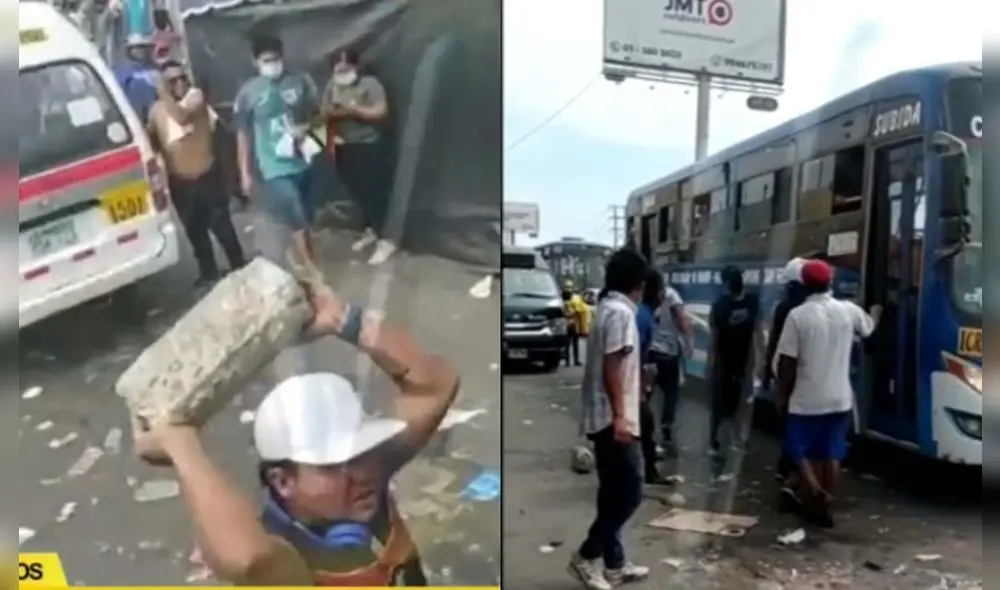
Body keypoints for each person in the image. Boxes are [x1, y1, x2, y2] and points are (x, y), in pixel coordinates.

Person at [133, 282, 460, 585]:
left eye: (361, 452)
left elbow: (436, 387)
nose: (361, 474)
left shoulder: (369, 477)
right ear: (282, 482)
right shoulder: (286, 550)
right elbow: (249, 561)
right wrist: (180, 444)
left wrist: (345, 319)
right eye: (333, 465)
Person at [774, 259, 880, 527]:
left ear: (803, 285)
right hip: (839, 398)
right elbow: (868, 328)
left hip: (806, 400)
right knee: (831, 453)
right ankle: (824, 504)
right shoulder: (848, 310)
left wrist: (782, 395)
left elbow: (787, 363)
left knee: (797, 451)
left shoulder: (798, 316)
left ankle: (817, 494)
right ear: (829, 282)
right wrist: (876, 313)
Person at [569, 248, 650, 590]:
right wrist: (620, 417)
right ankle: (587, 555)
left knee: (612, 491)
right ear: (639, 284)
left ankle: (614, 564)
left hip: (603, 414)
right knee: (630, 492)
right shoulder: (621, 314)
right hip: (613, 419)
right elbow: (612, 367)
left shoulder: (606, 307)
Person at [147, 60, 245, 287]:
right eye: (173, 81)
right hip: (181, 183)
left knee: (222, 226)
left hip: (207, 176)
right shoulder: (156, 111)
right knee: (195, 231)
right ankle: (208, 273)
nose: (180, 83)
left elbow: (181, 116)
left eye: (183, 78)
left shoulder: (195, 98)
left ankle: (239, 264)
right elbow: (152, 142)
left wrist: (162, 92)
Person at [234, 34, 321, 270]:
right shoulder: (248, 93)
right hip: (273, 166)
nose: (272, 64)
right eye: (266, 60)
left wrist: (306, 129)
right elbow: (243, 134)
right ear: (255, 62)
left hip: (301, 160)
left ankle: (300, 253)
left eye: (276, 59)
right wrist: (245, 173)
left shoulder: (300, 82)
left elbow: (318, 115)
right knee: (294, 211)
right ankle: (311, 269)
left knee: (305, 216)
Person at [322, 49, 393, 265]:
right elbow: (324, 111)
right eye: (338, 70)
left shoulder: (370, 84)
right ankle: (370, 230)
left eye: (346, 69)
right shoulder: (332, 85)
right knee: (356, 190)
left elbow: (381, 111)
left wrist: (354, 111)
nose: (342, 74)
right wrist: (335, 113)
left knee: (374, 193)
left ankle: (387, 239)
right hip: (343, 145)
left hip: (368, 146)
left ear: (356, 67)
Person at [707, 265, 763, 456]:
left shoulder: (722, 305)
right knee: (732, 402)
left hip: (736, 361)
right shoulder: (748, 302)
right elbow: (758, 332)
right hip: (734, 361)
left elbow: (714, 338)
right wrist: (762, 359)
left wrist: (710, 364)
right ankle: (728, 439)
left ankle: (725, 440)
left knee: (732, 402)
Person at [762, 257, 807, 487]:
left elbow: (774, 342)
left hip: (788, 374)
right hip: (807, 377)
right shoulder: (814, 309)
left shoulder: (786, 309)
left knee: (791, 423)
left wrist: (767, 371)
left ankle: (788, 467)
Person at [647, 278, 691, 453]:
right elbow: (682, 320)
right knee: (671, 394)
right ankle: (666, 428)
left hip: (650, 352)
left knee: (646, 393)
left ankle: (643, 431)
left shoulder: (645, 295)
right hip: (668, 353)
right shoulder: (671, 294)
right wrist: (688, 339)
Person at [635, 269, 671, 485]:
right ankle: (647, 472)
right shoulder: (644, 318)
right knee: (645, 423)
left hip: (634, 381)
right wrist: (641, 387)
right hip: (632, 383)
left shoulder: (643, 315)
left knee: (645, 423)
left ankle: (647, 470)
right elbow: (635, 356)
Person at [114, 33, 160, 124]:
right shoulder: (123, 71)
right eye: (138, 47)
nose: (141, 51)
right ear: (130, 50)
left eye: (143, 47)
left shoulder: (156, 68)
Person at [563, 280, 589, 367]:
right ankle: (573, 360)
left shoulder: (572, 299)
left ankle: (570, 361)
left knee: (570, 343)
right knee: (572, 343)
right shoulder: (574, 299)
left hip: (570, 324)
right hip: (571, 324)